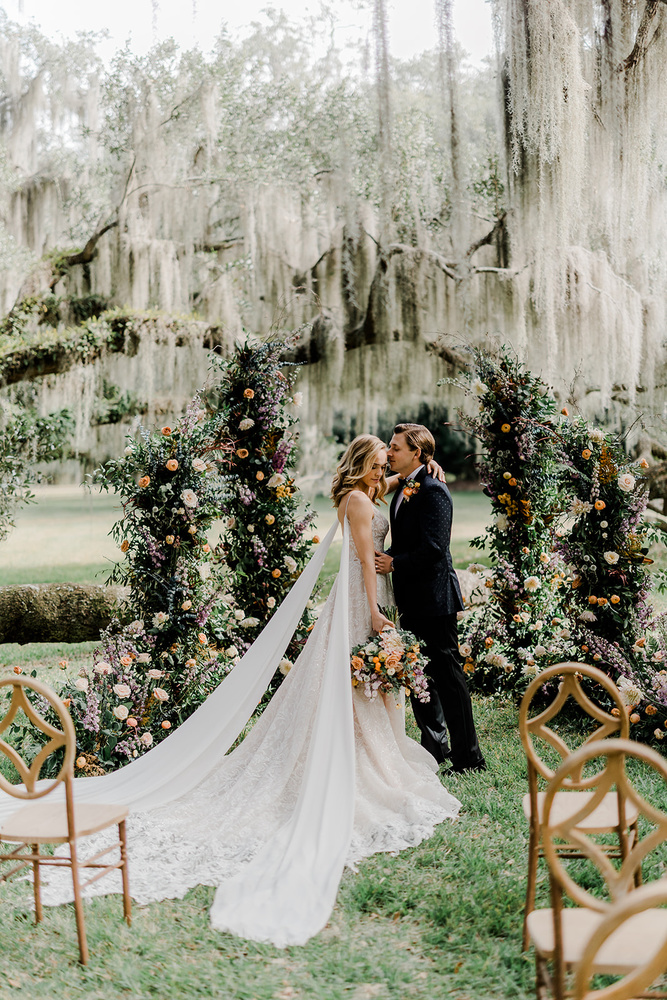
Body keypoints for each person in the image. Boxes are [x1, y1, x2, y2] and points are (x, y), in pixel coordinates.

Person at [8, 435, 459, 948]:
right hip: (361, 599)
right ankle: (348, 755)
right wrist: (376, 611)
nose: (386, 472)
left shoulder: (366, 490)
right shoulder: (357, 501)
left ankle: (364, 749)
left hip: (366, 598)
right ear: (363, 465)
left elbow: (396, 483)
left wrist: (419, 468)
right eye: (380, 464)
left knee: (358, 686)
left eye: (389, 465)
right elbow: (362, 559)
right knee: (349, 683)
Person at [375, 423, 486, 774]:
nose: (388, 453)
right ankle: (434, 748)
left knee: (448, 678)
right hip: (412, 598)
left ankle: (469, 757)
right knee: (419, 675)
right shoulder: (409, 485)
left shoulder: (434, 490)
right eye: (389, 448)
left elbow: (436, 548)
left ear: (417, 453)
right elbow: (411, 539)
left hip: (435, 600)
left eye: (395, 448)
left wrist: (395, 562)